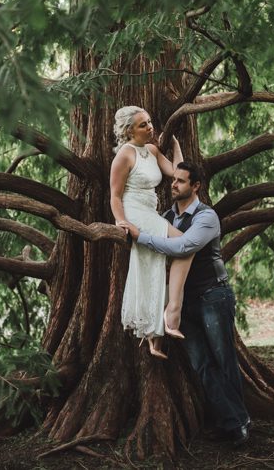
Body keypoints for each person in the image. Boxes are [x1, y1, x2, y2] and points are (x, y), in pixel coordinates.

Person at [120, 161, 251, 447]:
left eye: (181, 181)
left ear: (196, 186)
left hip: (213, 295)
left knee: (224, 360)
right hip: (182, 302)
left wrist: (142, 237)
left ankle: (239, 424)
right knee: (202, 364)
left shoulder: (207, 217)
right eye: (174, 179)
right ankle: (233, 420)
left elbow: (183, 247)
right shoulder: (167, 217)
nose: (174, 184)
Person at [110, 106, 194, 359]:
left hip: (151, 213)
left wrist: (176, 142)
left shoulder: (152, 150)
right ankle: (164, 322)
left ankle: (155, 333)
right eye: (143, 125)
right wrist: (121, 221)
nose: (150, 128)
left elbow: (178, 172)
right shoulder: (124, 155)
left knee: (156, 263)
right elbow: (114, 195)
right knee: (182, 245)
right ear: (129, 131)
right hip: (135, 213)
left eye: (149, 122)